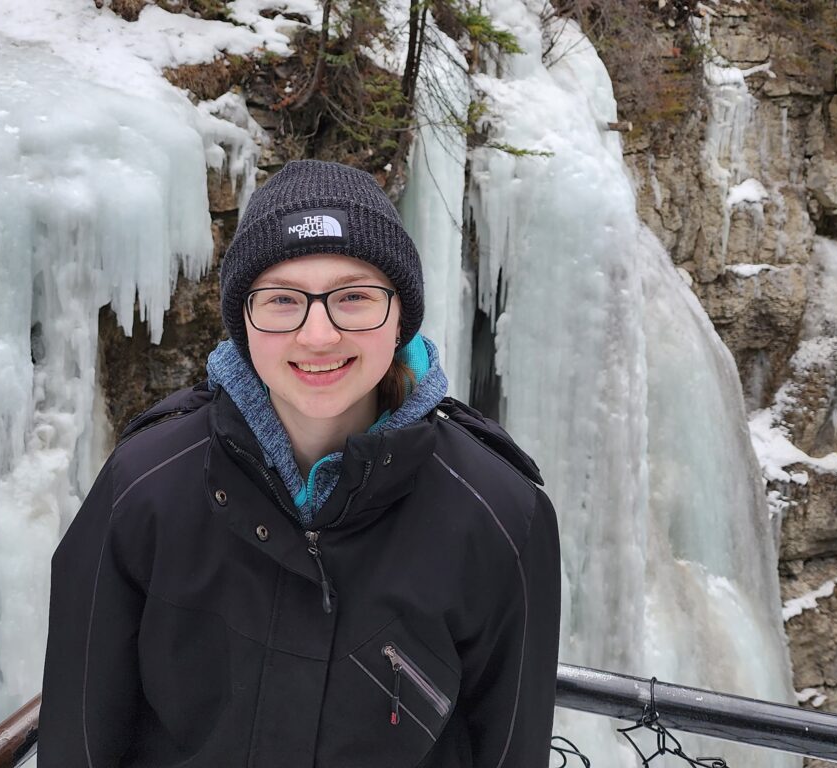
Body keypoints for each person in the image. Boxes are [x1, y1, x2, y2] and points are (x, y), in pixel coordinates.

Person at [38, 159, 561, 768]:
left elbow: (511, 750)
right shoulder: (143, 488)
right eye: (283, 300)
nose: (318, 335)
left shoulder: (502, 517)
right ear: (244, 325)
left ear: (399, 320)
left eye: (355, 297)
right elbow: (78, 739)